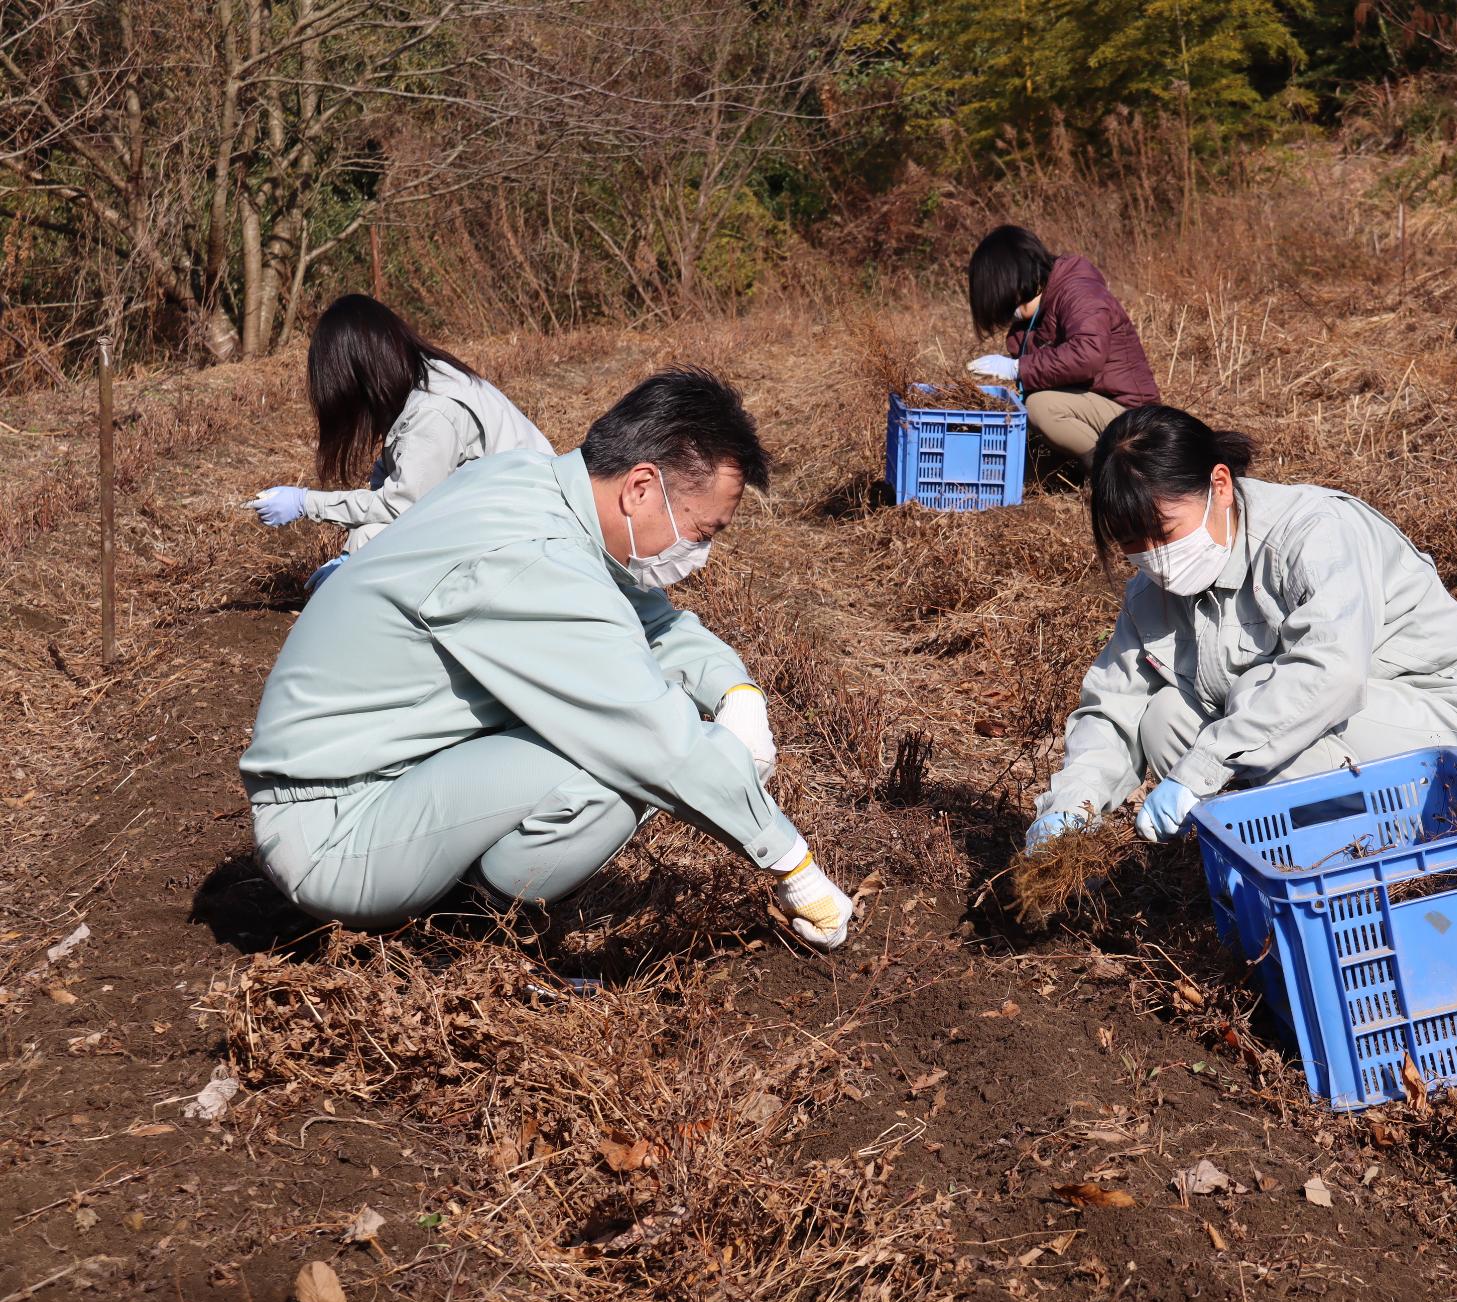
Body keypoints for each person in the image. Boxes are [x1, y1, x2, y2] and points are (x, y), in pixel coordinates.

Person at [240, 368, 853, 949]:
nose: (700, 553)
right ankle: (475, 931)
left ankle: (457, 892)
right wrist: (792, 865)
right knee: (608, 766)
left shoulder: (528, 484)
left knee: (604, 737)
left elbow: (651, 618)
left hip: (363, 779)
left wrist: (734, 693)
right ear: (641, 488)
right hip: (336, 834)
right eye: (703, 531)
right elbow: (655, 738)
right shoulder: (535, 561)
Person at [1022, 406, 1457, 852]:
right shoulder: (1153, 593)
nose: (1155, 558)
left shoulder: (1312, 533)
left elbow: (1328, 675)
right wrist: (1075, 807)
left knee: (1251, 700)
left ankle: (1352, 859)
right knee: (1164, 717)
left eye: (1164, 531)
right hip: (1353, 741)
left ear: (1219, 486)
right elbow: (1112, 707)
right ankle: (1282, 857)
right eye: (1132, 544)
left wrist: (1203, 768)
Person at [245, 295, 553, 594]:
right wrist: (352, 552)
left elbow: (399, 508)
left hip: (529, 540)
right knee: (370, 539)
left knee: (375, 541)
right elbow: (395, 484)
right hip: (508, 518)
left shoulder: (433, 411)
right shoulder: (425, 378)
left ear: (359, 376)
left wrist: (305, 503)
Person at [964, 225, 1161, 460]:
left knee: (1041, 407)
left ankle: (1113, 476)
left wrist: (1017, 368)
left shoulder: (1079, 292)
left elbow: (1087, 355)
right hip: (1095, 411)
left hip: (1135, 421)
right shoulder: (1032, 318)